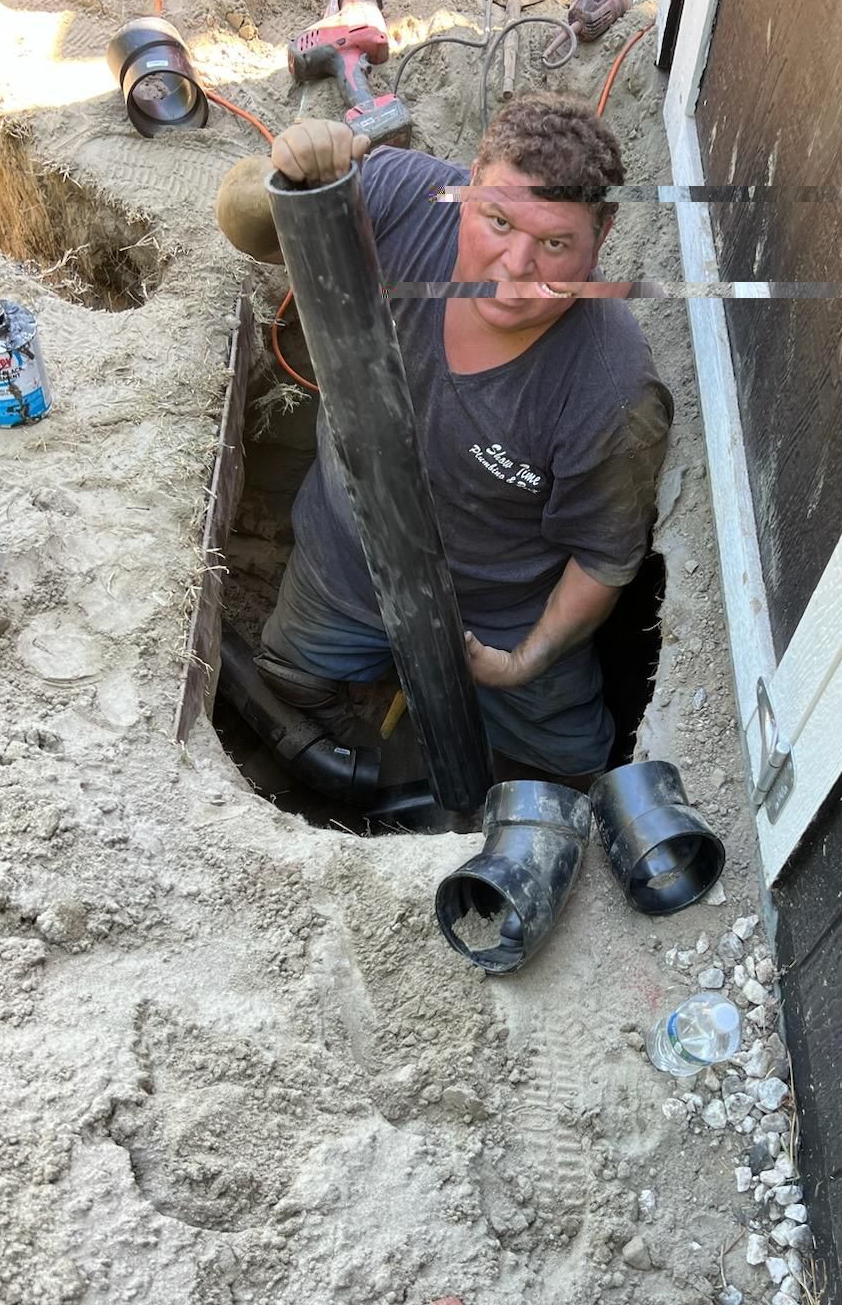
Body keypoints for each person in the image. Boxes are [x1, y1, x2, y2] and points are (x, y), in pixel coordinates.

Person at [215, 91, 673, 787]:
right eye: (496, 220)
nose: (515, 267)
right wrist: (293, 162)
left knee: (575, 780)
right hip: (349, 559)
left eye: (554, 244)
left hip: (498, 615)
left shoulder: (612, 391)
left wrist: (524, 663)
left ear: (600, 239)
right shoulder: (404, 196)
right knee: (286, 687)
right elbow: (248, 222)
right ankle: (378, 778)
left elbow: (604, 560)